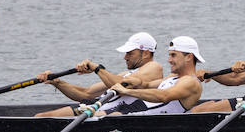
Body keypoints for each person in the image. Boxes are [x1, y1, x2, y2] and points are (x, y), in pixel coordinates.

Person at [35, 31, 164, 117]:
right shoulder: (126, 74)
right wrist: (57, 82)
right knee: (40, 117)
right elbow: (86, 93)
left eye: (130, 53)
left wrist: (97, 69)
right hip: (93, 107)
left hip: (110, 114)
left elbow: (121, 85)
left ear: (146, 53)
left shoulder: (154, 67)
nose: (125, 57)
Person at [99, 36, 206, 115]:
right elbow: (148, 85)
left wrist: (127, 91)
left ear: (189, 57)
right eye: (169, 55)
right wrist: (137, 83)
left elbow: (164, 96)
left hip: (149, 120)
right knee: (97, 113)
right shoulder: (173, 77)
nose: (169, 60)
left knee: (109, 115)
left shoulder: (191, 82)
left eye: (173, 55)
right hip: (137, 108)